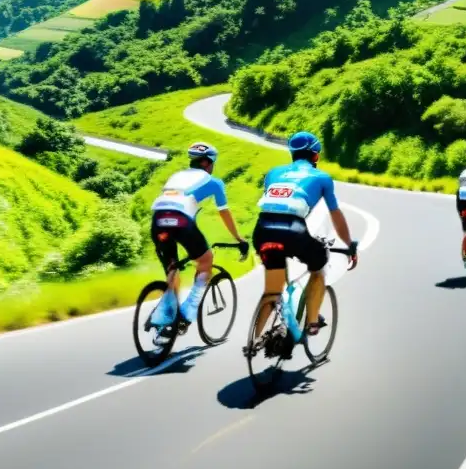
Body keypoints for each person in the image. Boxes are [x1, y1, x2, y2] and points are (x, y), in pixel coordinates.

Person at [251, 131, 358, 347]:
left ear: (292, 154)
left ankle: (253, 342)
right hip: (292, 230)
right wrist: (350, 246)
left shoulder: (273, 173)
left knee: (273, 288)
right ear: (315, 156)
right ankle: (311, 322)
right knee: (317, 268)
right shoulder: (322, 178)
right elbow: (335, 216)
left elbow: (275, 206)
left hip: (262, 230)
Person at [148, 142, 249, 344]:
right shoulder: (214, 182)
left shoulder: (175, 177)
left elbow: (172, 202)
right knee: (205, 260)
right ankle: (188, 311)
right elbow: (224, 213)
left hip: (158, 220)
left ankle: (165, 322)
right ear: (208, 163)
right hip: (181, 221)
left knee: (172, 271)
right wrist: (239, 239)